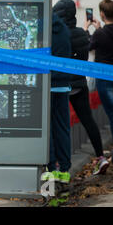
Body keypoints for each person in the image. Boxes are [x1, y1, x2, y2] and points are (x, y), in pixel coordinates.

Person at [54, 0, 109, 175]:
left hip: (61, 87)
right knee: (88, 121)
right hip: (79, 85)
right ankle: (100, 157)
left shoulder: (57, 35)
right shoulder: (81, 34)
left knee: (59, 125)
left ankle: (57, 162)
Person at [85, 0, 113, 144]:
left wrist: (87, 29)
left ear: (102, 14)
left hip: (107, 80)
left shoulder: (99, 34)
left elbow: (88, 46)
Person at [44, 11, 72, 184]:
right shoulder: (64, 30)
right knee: (62, 127)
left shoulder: (43, 29)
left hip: (47, 86)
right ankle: (65, 168)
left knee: (47, 128)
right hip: (63, 86)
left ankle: (51, 167)